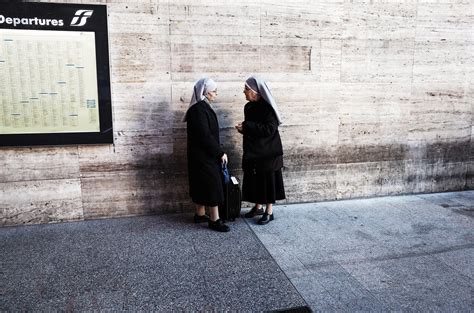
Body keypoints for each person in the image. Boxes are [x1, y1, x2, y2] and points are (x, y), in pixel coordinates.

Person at [235, 75, 286, 225]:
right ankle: (257, 207)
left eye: (246, 89)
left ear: (255, 91)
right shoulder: (249, 107)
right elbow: (254, 128)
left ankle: (269, 212)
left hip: (268, 153)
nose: (243, 91)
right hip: (254, 151)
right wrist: (243, 129)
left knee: (267, 181)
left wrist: (247, 127)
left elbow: (269, 129)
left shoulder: (268, 108)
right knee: (255, 180)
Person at [183, 77, 229, 232]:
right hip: (204, 156)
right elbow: (205, 135)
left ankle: (200, 214)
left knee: (201, 184)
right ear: (205, 92)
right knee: (213, 185)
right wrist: (219, 152)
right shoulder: (199, 110)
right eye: (213, 91)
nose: (215, 94)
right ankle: (215, 219)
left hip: (200, 155)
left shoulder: (200, 108)